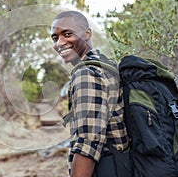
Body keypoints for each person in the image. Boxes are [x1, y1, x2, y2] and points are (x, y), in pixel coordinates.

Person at [50, 10, 130, 177]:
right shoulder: (105, 65)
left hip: (108, 168)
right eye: (55, 38)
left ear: (87, 34)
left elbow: (88, 142)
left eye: (67, 34)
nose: (59, 43)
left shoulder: (86, 73)